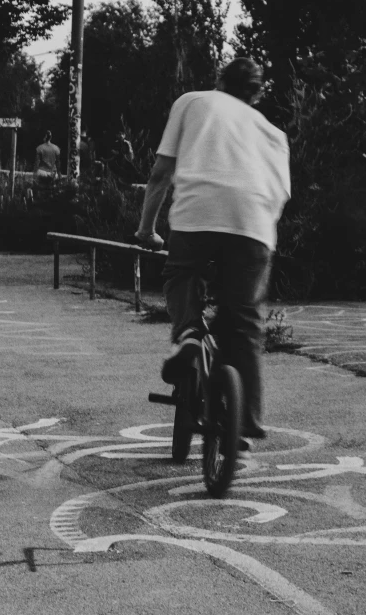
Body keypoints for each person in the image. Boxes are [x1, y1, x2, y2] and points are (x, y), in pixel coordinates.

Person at [135, 57, 291, 443]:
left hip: (198, 214)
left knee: (181, 273)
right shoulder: (272, 133)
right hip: (254, 222)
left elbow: (160, 174)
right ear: (256, 93)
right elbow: (281, 195)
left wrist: (146, 229)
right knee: (243, 319)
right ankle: (246, 417)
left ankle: (189, 336)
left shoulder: (192, 102)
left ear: (220, 81)